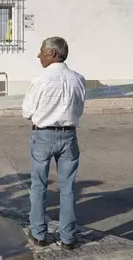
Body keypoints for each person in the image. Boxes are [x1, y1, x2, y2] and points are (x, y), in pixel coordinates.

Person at [22, 37, 86, 250]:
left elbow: (27, 112)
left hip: (43, 135)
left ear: (53, 54)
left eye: (42, 51)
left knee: (39, 185)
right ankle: (68, 238)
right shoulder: (78, 79)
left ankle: (39, 234)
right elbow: (79, 108)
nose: (39, 55)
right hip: (69, 135)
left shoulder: (40, 80)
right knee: (68, 187)